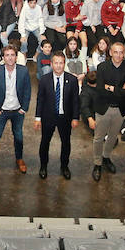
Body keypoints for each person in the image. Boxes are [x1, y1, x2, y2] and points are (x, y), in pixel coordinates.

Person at [35, 50, 80, 179]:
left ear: (64, 64)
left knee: (66, 143)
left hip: (65, 118)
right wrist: (38, 118)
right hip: (48, 117)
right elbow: (40, 100)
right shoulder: (44, 80)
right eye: (56, 63)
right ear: (51, 64)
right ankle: (43, 166)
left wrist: (75, 117)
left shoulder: (72, 80)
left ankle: (64, 166)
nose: (59, 66)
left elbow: (75, 101)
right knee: (45, 142)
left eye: (61, 63)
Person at [93, 41, 125, 181]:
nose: (118, 55)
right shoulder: (102, 67)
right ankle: (97, 163)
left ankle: (106, 157)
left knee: (112, 136)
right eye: (115, 52)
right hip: (103, 108)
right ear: (110, 53)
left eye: (121, 52)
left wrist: (110, 88)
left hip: (119, 110)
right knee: (98, 138)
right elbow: (100, 89)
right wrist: (121, 89)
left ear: (124, 54)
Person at [0, 43, 31, 174]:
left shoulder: (23, 71)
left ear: (16, 57)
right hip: (1, 111)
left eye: (12, 55)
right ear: (3, 58)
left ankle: (19, 159)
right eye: (7, 55)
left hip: (18, 111)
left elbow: (27, 91)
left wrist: (24, 108)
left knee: (19, 137)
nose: (10, 58)